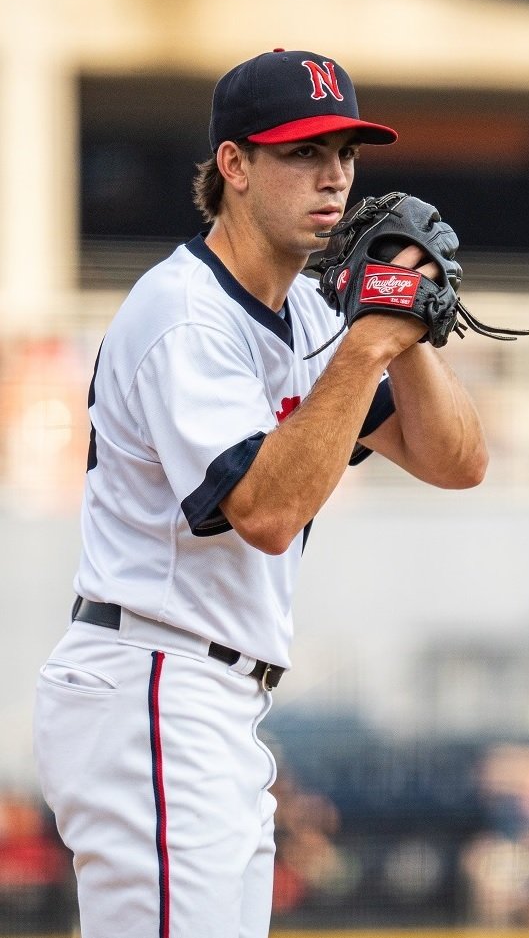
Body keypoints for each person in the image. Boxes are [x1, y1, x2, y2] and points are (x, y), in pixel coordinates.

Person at [32, 48, 490, 938]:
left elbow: (456, 463)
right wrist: (368, 344)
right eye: (301, 152)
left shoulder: (318, 314)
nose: (334, 176)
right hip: (151, 685)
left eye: (346, 154)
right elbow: (267, 515)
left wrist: (408, 329)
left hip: (213, 699)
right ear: (234, 166)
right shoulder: (182, 314)